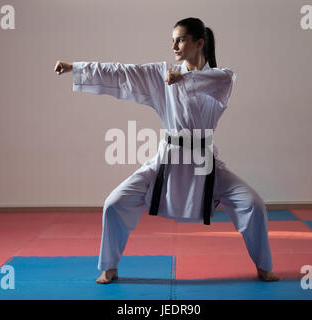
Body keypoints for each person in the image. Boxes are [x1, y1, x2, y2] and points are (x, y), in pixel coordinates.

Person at [54, 17, 280, 284]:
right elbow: (123, 72)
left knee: (253, 204)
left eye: (181, 39)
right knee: (114, 203)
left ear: (199, 43)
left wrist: (182, 77)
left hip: (205, 164)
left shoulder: (222, 78)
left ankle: (264, 266)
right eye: (172, 40)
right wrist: (76, 67)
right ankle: (110, 266)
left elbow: (213, 79)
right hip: (167, 160)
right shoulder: (162, 76)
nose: (174, 46)